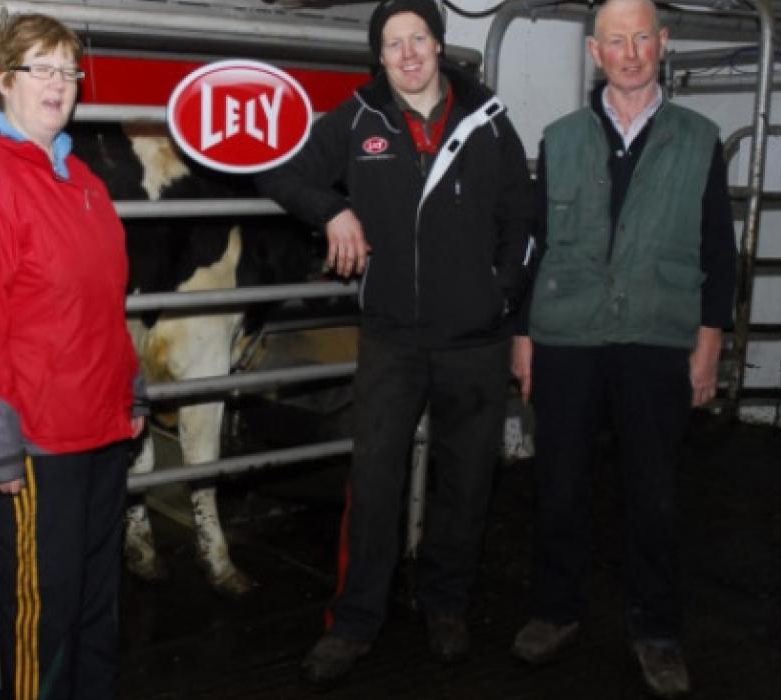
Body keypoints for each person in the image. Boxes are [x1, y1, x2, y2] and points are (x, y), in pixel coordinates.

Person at [257, 0, 535, 684]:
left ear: (440, 46)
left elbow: (523, 218)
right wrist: (333, 209)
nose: (407, 53)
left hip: (475, 340)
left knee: (467, 484)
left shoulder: (489, 122)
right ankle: (354, 622)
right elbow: (280, 173)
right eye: (392, 43)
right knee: (374, 483)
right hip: (390, 339)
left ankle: (445, 605)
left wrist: (503, 297)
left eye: (418, 39)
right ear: (377, 57)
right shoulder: (357, 120)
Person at [509, 0, 736, 696]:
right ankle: (555, 610)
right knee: (560, 483)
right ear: (595, 52)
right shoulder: (561, 137)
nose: (630, 51)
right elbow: (536, 246)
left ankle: (657, 630)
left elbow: (719, 252)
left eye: (643, 37)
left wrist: (708, 345)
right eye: (616, 40)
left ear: (663, 44)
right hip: (568, 334)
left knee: (655, 491)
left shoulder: (700, 138)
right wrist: (523, 336)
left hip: (657, 336)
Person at [0, 14, 146, 700]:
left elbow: (104, 301)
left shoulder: (82, 179)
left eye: (68, 71)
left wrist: (131, 390)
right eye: (41, 69)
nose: (59, 85)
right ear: (4, 80)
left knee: (96, 596)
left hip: (102, 426)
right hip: (38, 438)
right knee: (42, 609)